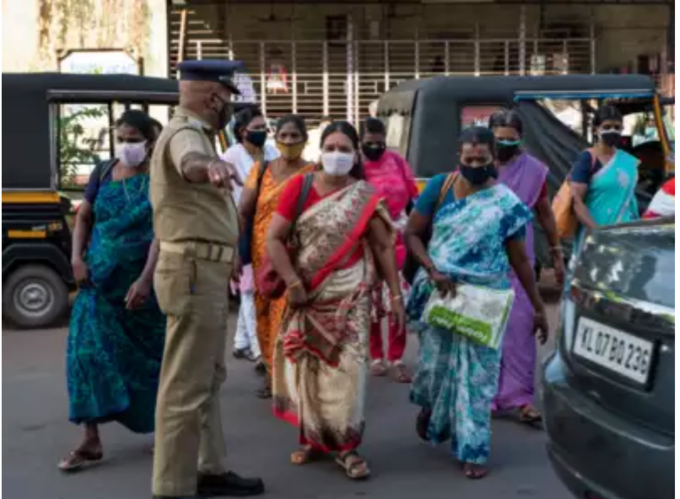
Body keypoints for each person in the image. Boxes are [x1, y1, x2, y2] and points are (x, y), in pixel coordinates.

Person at [405, 126, 548, 480]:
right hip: (442, 294)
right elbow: (410, 233)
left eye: (481, 159)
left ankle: (473, 448)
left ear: (491, 157)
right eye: (468, 159)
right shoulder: (439, 187)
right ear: (459, 157)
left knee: (478, 379)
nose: (474, 164)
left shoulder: (506, 204)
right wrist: (432, 269)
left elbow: (521, 261)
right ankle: (431, 408)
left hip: (486, 298)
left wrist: (539, 306)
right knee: (434, 371)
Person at [149, 60, 264, 499]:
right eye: (229, 99)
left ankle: (208, 467)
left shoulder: (196, 131)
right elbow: (190, 163)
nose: (230, 110)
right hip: (193, 269)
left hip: (206, 269)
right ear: (214, 96)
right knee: (184, 385)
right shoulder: (186, 133)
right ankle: (173, 488)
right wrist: (209, 168)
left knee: (207, 378)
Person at [266, 121, 405, 480]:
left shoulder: (364, 196)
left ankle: (346, 446)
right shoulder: (300, 187)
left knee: (349, 371)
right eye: (331, 147)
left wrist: (394, 295)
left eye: (345, 149)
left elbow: (383, 246)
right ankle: (313, 438)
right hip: (306, 294)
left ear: (356, 154)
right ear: (320, 150)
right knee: (308, 369)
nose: (337, 155)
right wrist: (293, 282)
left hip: (351, 294)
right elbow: (274, 240)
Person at [59, 110, 166, 472]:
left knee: (152, 359)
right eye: (121, 138)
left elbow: (162, 232)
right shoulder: (103, 172)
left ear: (150, 143)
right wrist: (76, 257)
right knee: (84, 354)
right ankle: (90, 439)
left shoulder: (158, 179)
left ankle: (165, 432)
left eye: (134, 139)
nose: (126, 145)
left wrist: (147, 279)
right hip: (97, 282)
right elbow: (85, 216)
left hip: (140, 288)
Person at [488, 109, 564, 424]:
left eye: (510, 139)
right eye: (498, 138)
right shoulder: (478, 165)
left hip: (520, 256)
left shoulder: (533, 171)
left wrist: (557, 252)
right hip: (484, 257)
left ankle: (520, 398)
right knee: (486, 328)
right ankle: (486, 396)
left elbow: (545, 213)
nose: (504, 145)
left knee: (520, 326)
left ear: (520, 138)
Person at [239, 114, 317, 399]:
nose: (288, 142)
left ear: (305, 140)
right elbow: (244, 211)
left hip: (296, 255)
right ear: (276, 139)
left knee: (289, 314)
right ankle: (272, 373)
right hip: (262, 255)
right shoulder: (261, 170)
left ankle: (292, 377)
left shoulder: (313, 171)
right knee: (263, 314)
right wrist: (238, 253)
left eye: (294, 136)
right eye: (283, 136)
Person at [360, 117, 418, 382]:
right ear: (361, 142)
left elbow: (412, 197)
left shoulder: (397, 162)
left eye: (379, 143)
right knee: (371, 301)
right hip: (367, 238)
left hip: (398, 237)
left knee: (398, 299)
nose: (375, 147)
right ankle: (375, 356)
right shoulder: (356, 165)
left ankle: (396, 357)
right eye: (369, 143)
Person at [223, 106, 279, 365]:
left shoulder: (271, 152)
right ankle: (258, 349)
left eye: (264, 127)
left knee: (264, 284)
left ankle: (242, 341)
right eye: (256, 128)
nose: (262, 132)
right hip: (242, 225)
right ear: (242, 131)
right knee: (248, 289)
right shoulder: (231, 156)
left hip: (270, 225)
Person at [570, 105, 640, 253]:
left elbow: (629, 200)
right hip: (595, 237)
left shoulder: (627, 161)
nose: (612, 131)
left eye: (617, 127)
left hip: (625, 237)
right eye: (607, 126)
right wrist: (598, 231)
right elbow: (576, 203)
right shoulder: (588, 159)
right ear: (596, 129)